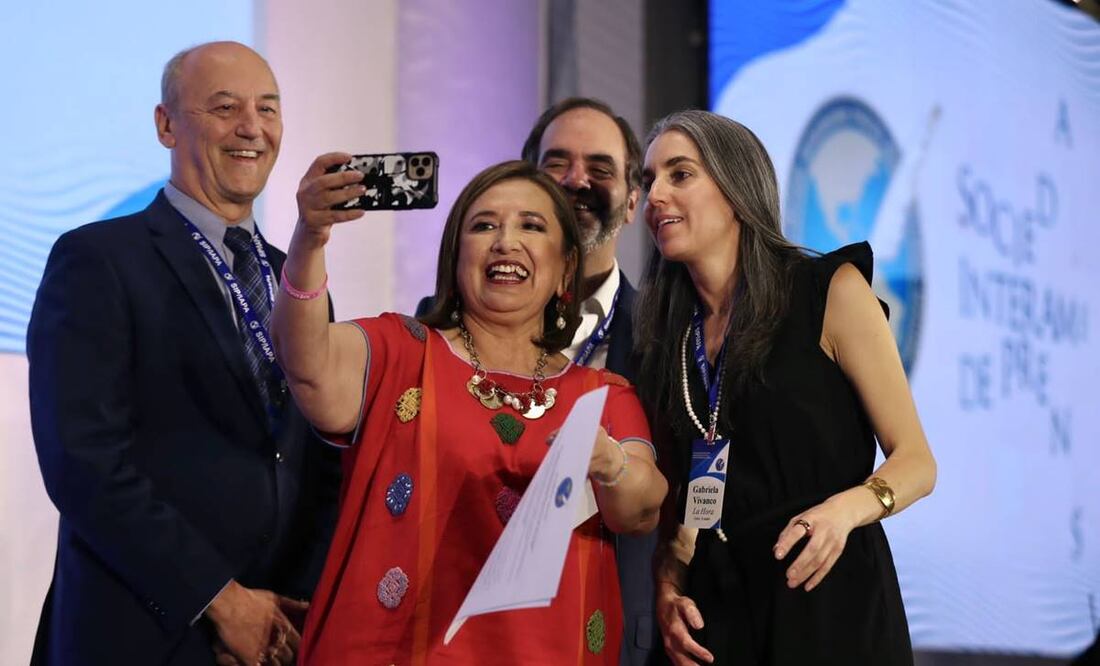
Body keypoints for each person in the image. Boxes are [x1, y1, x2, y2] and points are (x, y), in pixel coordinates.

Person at [272, 158, 668, 663]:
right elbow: (306, 362)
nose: (505, 241)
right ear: (455, 258)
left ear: (565, 267)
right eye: (484, 226)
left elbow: (642, 509)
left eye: (531, 226)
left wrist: (610, 464)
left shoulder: (603, 395)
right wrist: (309, 239)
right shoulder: (401, 352)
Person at [27, 42, 339, 666]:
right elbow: (82, 462)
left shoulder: (297, 278)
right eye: (224, 108)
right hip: (144, 635)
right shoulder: (98, 260)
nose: (251, 128)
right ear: (166, 125)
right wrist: (220, 601)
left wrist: (295, 607)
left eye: (267, 108)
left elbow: (314, 455)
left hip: (275, 636)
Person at [633, 110, 937, 665]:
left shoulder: (829, 291)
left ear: (736, 189)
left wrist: (845, 511)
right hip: (719, 608)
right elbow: (684, 496)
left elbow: (917, 462)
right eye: (649, 179)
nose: (654, 195)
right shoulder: (668, 335)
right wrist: (668, 585)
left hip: (826, 595)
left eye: (680, 174)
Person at [419, 97, 658, 666]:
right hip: (459, 624)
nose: (576, 181)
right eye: (557, 164)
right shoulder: (436, 329)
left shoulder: (664, 335)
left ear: (632, 202)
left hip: (605, 630)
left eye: (599, 168)